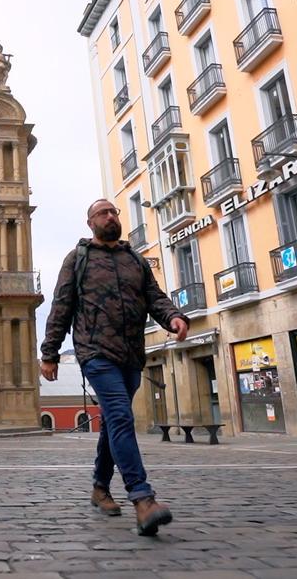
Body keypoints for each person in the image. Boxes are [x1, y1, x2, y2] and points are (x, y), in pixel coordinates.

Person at [41, 198, 189, 536]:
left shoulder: (134, 259)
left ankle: (99, 487)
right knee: (122, 416)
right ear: (90, 222)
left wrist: (174, 317)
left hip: (132, 355)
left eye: (113, 212)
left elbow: (154, 297)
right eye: (102, 213)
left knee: (111, 422)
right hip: (96, 353)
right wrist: (49, 353)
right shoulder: (78, 259)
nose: (110, 216)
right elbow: (61, 306)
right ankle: (143, 498)